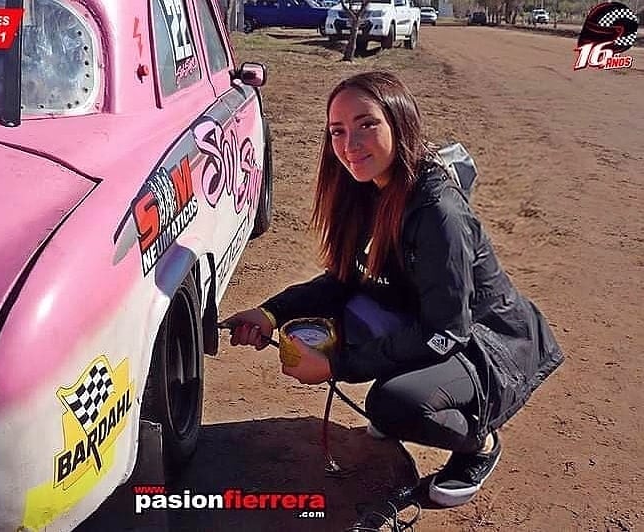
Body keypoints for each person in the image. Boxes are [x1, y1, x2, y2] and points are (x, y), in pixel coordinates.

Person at [223, 70, 563, 508]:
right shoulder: (366, 189)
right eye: (337, 131)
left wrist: (336, 365)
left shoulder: (439, 212)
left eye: (367, 124)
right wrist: (269, 314)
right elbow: (341, 282)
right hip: (425, 318)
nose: (350, 145)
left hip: (486, 339)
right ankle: (415, 384)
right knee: (352, 317)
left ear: (399, 122)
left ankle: (478, 443)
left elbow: (446, 330)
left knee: (394, 403)